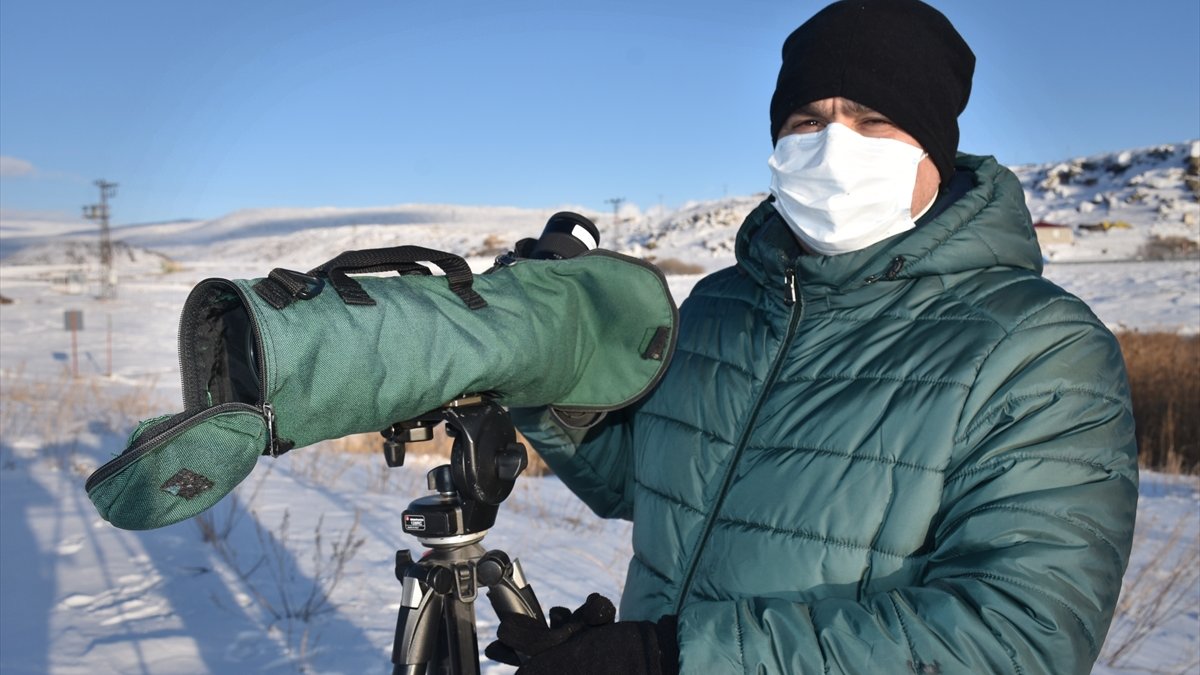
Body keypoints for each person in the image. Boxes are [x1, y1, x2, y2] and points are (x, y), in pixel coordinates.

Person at [487, 1, 1139, 673]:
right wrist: (547, 361)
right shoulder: (719, 304)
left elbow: (1022, 637)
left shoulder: (1039, 347)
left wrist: (673, 656)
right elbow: (645, 484)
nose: (834, 145)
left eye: (872, 119)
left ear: (933, 149)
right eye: (808, 121)